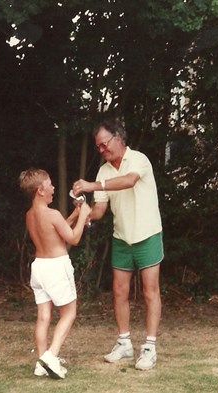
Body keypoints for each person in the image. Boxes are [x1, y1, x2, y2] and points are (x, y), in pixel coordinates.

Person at [72, 118, 163, 371]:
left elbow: (129, 181)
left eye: (104, 144)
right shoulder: (103, 171)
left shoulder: (138, 160)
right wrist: (84, 211)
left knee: (149, 291)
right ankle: (124, 344)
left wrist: (92, 185)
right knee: (119, 292)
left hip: (148, 234)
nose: (102, 150)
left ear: (118, 138)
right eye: (98, 147)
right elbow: (101, 209)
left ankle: (150, 347)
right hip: (122, 237)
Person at [19, 168, 91, 379]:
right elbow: (73, 239)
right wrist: (84, 215)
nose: (53, 188)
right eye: (50, 184)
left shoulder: (30, 215)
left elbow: (54, 232)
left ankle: (41, 362)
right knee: (69, 313)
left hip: (39, 267)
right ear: (40, 190)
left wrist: (74, 215)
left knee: (43, 316)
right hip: (56, 267)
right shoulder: (52, 214)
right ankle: (51, 356)